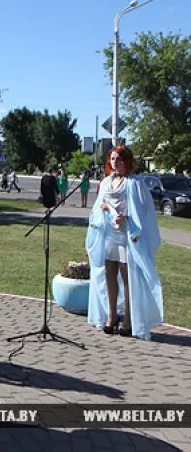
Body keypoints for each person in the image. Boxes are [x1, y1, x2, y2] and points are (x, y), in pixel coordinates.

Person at [87, 146, 163, 340]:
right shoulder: (106, 182)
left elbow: (144, 212)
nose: (115, 162)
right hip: (109, 234)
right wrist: (103, 208)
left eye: (119, 159)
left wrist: (127, 218)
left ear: (127, 161)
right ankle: (111, 316)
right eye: (112, 159)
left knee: (127, 275)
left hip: (127, 236)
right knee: (108, 273)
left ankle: (128, 320)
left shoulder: (135, 184)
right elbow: (99, 206)